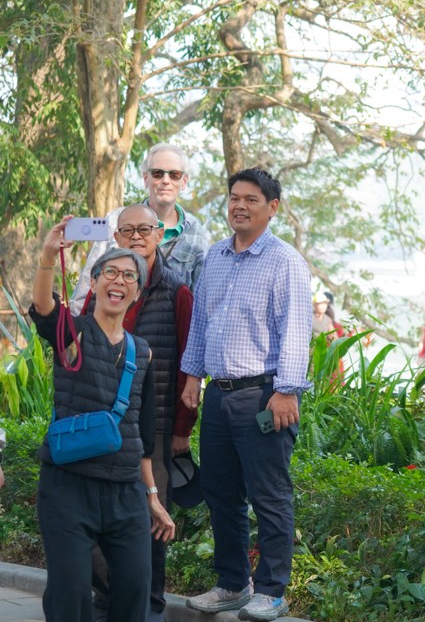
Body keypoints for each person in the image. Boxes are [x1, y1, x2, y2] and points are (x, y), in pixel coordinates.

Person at [180, 168, 312, 621]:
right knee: (220, 492)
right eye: (234, 197)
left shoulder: (285, 261)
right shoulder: (215, 257)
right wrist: (192, 377)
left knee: (270, 495)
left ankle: (272, 590)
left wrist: (287, 391)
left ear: (272, 208)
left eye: (251, 199)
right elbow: (201, 322)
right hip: (219, 395)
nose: (240, 205)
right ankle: (233, 583)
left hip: (264, 396)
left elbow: (296, 331)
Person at [31, 218, 175, 622]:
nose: (119, 280)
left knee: (134, 593)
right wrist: (48, 254)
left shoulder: (142, 352)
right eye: (110, 272)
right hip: (68, 488)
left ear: (137, 291)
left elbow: (144, 436)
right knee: (71, 594)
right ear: (94, 284)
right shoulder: (70, 335)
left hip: (125, 492)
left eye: (129, 275)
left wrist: (152, 499)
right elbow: (43, 307)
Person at [85, 205, 196, 622]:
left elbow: (190, 364)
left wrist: (182, 431)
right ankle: (108, 598)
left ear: (160, 233)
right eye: (127, 230)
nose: (136, 236)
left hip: (156, 428)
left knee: (151, 521)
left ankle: (149, 606)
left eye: (144, 229)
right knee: (96, 519)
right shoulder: (103, 284)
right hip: (100, 426)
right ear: (116, 237)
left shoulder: (177, 291)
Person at [71, 143, 211, 311]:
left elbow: (200, 301)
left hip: (165, 330)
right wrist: (75, 328)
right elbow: (87, 282)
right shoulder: (116, 219)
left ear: (184, 182)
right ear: (146, 179)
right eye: (158, 173)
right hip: (112, 327)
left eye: (174, 175)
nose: (166, 181)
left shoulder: (196, 233)